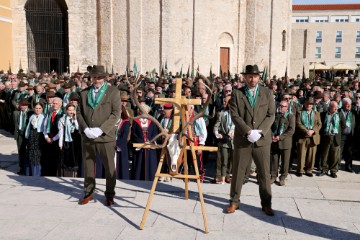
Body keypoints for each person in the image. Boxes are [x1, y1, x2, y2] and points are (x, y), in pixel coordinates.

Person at [227, 64, 275, 216]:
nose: (251, 79)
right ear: (244, 77)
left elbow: (271, 115)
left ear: (259, 77)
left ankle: (266, 203)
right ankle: (234, 201)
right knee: (238, 172)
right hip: (243, 138)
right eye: (249, 76)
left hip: (262, 139)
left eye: (254, 76)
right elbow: (235, 115)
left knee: (264, 173)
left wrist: (260, 132)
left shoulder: (267, 93)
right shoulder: (237, 94)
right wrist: (248, 131)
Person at [77, 65, 121, 206]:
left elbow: (116, 114)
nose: (97, 80)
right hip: (88, 136)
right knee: (89, 166)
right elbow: (79, 113)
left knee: (109, 167)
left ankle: (109, 194)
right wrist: (85, 129)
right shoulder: (84, 93)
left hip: (105, 136)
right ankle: (88, 192)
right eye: (94, 77)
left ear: (105, 78)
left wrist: (101, 130)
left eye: (99, 77)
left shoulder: (113, 92)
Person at [270, 99, 295, 186]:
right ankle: (273, 176)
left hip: (285, 143)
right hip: (274, 142)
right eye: (279, 106)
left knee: (285, 162)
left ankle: (283, 177)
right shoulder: (276, 116)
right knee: (274, 160)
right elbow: (271, 127)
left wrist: (280, 137)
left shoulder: (290, 116)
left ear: (287, 108)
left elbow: (291, 130)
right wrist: (272, 135)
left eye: (282, 106)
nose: (280, 108)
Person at [131, 104, 159, 181]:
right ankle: (138, 178)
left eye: (145, 111)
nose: (143, 113)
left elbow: (155, 133)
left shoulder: (152, 121)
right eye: (141, 111)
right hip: (140, 147)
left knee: (150, 165)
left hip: (150, 147)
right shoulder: (135, 121)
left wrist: (150, 141)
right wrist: (142, 142)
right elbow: (133, 134)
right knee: (139, 164)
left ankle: (150, 179)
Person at [296, 97, 322, 177]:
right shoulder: (300, 113)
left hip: (313, 137)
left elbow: (319, 124)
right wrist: (306, 130)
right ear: (304, 104)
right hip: (303, 136)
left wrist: (313, 130)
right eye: (307, 104)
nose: (309, 105)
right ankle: (300, 170)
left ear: (313, 105)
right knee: (301, 154)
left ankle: (309, 170)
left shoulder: (316, 113)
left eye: (311, 104)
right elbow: (298, 123)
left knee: (312, 154)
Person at [318, 101, 345, 178]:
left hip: (335, 137)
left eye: (337, 107)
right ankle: (324, 169)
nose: (336, 108)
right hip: (326, 137)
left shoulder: (340, 114)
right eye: (334, 107)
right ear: (330, 107)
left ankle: (333, 171)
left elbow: (343, 126)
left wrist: (338, 133)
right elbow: (321, 125)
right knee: (324, 154)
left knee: (335, 155)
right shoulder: (323, 114)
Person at [213, 95, 234, 184]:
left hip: (234, 141)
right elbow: (216, 126)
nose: (224, 103)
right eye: (224, 101)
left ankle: (227, 176)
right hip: (224, 139)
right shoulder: (221, 113)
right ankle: (219, 176)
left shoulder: (236, 114)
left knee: (231, 159)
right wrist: (217, 133)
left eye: (226, 102)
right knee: (222, 158)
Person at [43, 97, 64, 176]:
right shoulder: (50, 113)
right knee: (48, 159)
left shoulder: (62, 114)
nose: (54, 105)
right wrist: (46, 136)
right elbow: (45, 126)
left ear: (60, 105)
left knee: (56, 159)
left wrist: (53, 139)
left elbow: (61, 130)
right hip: (49, 139)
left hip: (56, 139)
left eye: (56, 104)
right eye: (53, 103)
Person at [58, 103, 81, 177]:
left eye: (72, 110)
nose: (71, 112)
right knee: (67, 158)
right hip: (67, 140)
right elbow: (61, 132)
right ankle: (67, 174)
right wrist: (60, 144)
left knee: (75, 158)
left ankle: (75, 175)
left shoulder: (77, 118)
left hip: (75, 140)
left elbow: (78, 128)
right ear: (66, 111)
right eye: (69, 110)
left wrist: (75, 119)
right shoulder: (63, 119)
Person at [25, 102, 45, 176]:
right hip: (32, 137)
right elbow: (28, 128)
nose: (38, 110)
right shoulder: (31, 116)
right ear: (34, 108)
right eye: (36, 108)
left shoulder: (44, 117)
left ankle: (37, 174)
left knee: (38, 157)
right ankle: (32, 173)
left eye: (39, 108)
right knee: (31, 156)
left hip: (39, 137)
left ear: (42, 109)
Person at [13, 98, 33, 175]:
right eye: (22, 105)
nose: (23, 107)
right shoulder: (16, 113)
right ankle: (22, 167)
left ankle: (28, 167)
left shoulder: (30, 112)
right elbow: (15, 124)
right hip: (20, 133)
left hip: (27, 133)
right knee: (21, 151)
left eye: (25, 105)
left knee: (28, 151)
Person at [116, 106, 131, 179]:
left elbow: (124, 135)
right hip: (111, 145)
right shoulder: (111, 121)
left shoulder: (126, 122)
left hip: (121, 146)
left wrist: (117, 144)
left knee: (121, 163)